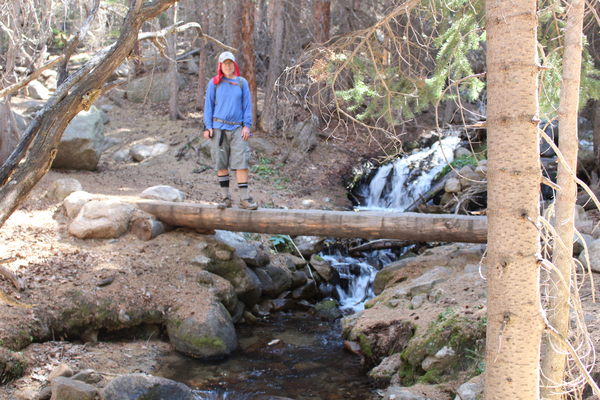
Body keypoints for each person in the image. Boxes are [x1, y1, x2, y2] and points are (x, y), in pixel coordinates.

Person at [203, 51, 257, 210]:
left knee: (241, 162)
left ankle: (245, 198)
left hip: (238, 129)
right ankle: (225, 197)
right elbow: (208, 106)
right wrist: (208, 126)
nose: (227, 66)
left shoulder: (242, 82)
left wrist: (247, 125)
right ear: (220, 65)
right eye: (224, 63)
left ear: (234, 64)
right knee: (221, 163)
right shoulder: (214, 83)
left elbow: (247, 106)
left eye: (230, 63)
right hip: (218, 129)